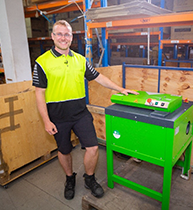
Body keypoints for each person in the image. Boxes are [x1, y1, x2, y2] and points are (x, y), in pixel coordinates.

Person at [32, 20, 138, 200]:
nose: (63, 38)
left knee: (93, 147)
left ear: (72, 37)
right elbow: (39, 94)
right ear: (53, 37)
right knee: (64, 150)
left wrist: (120, 89)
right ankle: (69, 179)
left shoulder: (81, 60)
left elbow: (99, 77)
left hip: (80, 114)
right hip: (57, 117)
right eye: (59, 34)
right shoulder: (42, 62)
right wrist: (46, 121)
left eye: (67, 34)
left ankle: (89, 179)